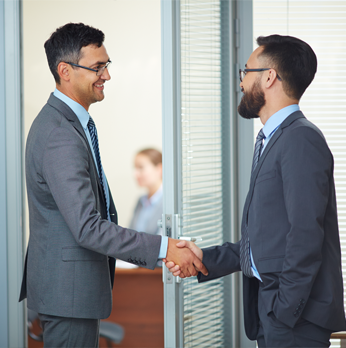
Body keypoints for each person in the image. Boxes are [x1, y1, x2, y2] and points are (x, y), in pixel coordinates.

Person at [18, 22, 206, 347]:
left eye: (107, 65)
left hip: (70, 295)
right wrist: (164, 248)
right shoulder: (60, 134)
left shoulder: (70, 125)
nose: (106, 75)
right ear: (65, 70)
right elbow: (88, 227)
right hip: (68, 297)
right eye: (97, 67)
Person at [166, 34, 346, 347]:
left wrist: (284, 311)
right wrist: (203, 258)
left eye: (245, 73)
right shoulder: (271, 140)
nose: (240, 83)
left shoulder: (300, 139)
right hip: (273, 311)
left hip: (293, 319)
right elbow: (266, 241)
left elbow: (305, 236)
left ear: (268, 77)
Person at [129, 148, 163, 235]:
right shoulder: (141, 201)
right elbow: (130, 234)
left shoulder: (169, 203)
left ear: (159, 169)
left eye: (141, 167)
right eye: (135, 168)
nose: (135, 174)